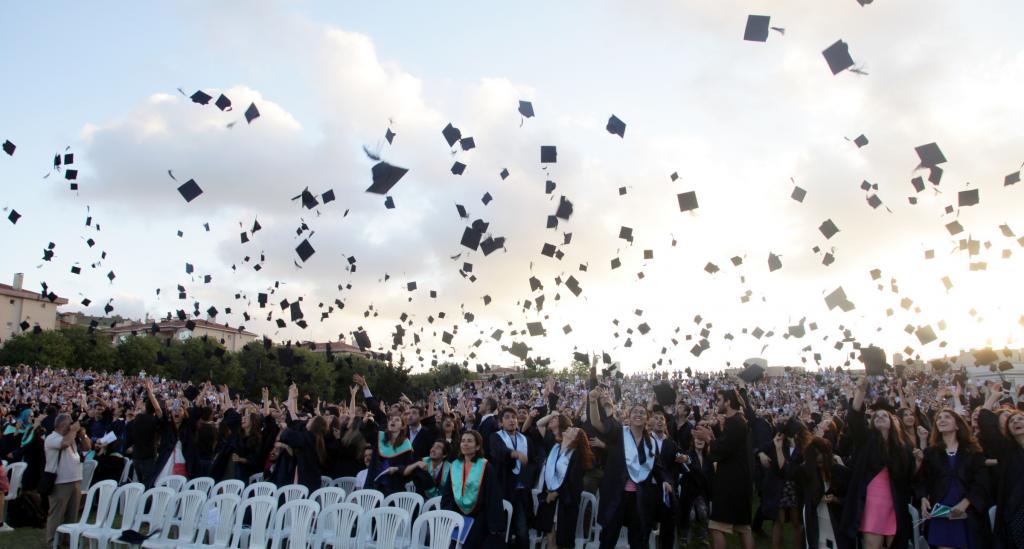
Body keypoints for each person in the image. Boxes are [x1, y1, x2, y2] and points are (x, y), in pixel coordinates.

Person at [839, 375, 916, 549]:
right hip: (872, 502)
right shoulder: (865, 440)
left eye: (885, 416)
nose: (880, 417)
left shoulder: (902, 448)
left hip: (895, 501)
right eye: (876, 416)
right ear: (872, 423)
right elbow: (854, 418)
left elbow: (910, 476)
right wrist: (861, 391)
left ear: (892, 423)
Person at [590, 388, 671, 549]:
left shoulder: (651, 442)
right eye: (635, 412)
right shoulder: (619, 434)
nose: (638, 414)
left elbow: (658, 469)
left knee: (639, 540)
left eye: (642, 412)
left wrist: (666, 481)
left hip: (640, 498)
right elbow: (597, 423)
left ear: (647, 418)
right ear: (629, 416)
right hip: (616, 496)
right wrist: (593, 402)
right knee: (608, 539)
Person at [919, 408, 991, 548]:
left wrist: (966, 503)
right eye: (939, 418)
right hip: (941, 510)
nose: (942, 420)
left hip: (968, 510)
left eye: (947, 417)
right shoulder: (931, 452)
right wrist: (923, 498)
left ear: (957, 425)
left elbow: (981, 482)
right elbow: (923, 479)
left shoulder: (973, 451)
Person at [693, 388, 755, 549]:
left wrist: (707, 438)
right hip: (740, 481)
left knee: (716, 526)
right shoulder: (738, 421)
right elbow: (726, 445)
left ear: (728, 402)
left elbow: (721, 450)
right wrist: (712, 436)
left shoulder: (735, 422)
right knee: (743, 527)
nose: (717, 403)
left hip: (731, 482)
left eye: (719, 400)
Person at [535, 414, 592, 549]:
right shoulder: (556, 448)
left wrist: (557, 492)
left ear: (575, 439)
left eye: (573, 431)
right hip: (550, 497)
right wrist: (549, 491)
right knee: (550, 535)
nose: (569, 429)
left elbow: (574, 481)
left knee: (563, 541)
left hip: (566, 501)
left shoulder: (576, 455)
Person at [441, 430, 506, 548]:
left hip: (479, 516)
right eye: (463, 441)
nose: (465, 444)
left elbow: (492, 495)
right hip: (457, 514)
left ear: (477, 446)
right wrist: (448, 512)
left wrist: (494, 525)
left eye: (470, 441)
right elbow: (448, 493)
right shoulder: (455, 465)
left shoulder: (485, 466)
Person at [489, 406, 541, 549]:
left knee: (522, 529)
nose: (512, 420)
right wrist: (514, 454)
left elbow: (533, 462)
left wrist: (527, 478)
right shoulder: (496, 437)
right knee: (502, 529)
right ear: (500, 422)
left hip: (521, 489)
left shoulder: (526, 439)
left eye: (514, 417)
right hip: (503, 487)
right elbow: (499, 451)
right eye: (507, 417)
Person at [791, 437, 852, 549]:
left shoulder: (841, 473)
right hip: (816, 523)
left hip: (837, 524)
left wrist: (836, 500)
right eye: (815, 456)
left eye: (821, 455)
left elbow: (852, 499)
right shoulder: (806, 474)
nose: (819, 458)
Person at [44, 413, 91, 547]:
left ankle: (68, 539)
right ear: (63, 425)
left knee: (72, 513)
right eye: (70, 423)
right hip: (60, 481)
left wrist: (82, 434)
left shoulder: (71, 436)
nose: (72, 425)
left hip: (75, 479)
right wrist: (74, 431)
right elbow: (64, 444)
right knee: (57, 514)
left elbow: (87, 447)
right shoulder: (52, 438)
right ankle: (52, 541)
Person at [129, 379, 162, 487]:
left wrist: (149, 392)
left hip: (136, 457)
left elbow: (138, 407)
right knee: (148, 485)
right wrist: (150, 392)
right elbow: (158, 410)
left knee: (140, 485)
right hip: (148, 457)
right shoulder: (153, 421)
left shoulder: (138, 418)